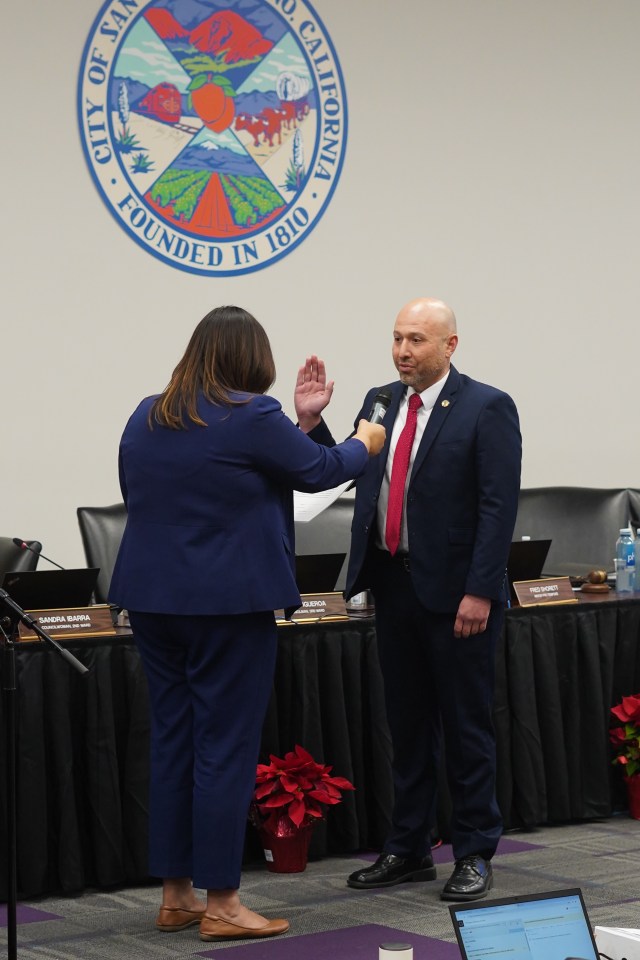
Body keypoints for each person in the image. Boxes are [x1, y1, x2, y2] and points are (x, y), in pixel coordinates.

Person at [109, 305, 385, 941]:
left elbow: (165, 486)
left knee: (174, 742)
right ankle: (224, 903)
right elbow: (320, 471)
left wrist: (303, 424)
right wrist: (365, 440)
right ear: (252, 359)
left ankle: (177, 894)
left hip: (152, 602)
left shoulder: (147, 413)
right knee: (223, 749)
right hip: (228, 607)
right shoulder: (252, 414)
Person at [294, 297, 521, 901]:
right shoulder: (379, 402)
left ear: (450, 345)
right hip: (393, 588)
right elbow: (335, 470)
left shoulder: (487, 406)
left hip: (459, 596)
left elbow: (498, 507)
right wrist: (311, 424)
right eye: (397, 338)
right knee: (407, 725)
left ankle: (473, 851)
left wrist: (480, 590)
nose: (402, 351)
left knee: (466, 726)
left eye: (416, 340)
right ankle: (409, 847)